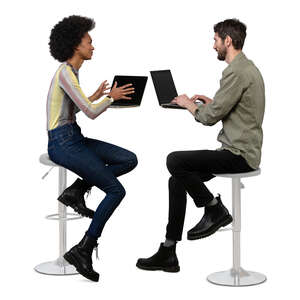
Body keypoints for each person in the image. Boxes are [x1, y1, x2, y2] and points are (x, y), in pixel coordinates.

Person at [136, 18, 265, 272]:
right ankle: (168, 251)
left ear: (228, 41)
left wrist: (188, 104)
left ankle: (214, 209)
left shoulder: (236, 72)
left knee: (174, 160)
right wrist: (211, 101)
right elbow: (230, 108)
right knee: (177, 180)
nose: (213, 45)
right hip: (241, 150)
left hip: (238, 155)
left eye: (216, 40)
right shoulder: (247, 68)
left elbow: (208, 119)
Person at [47, 15, 138, 282]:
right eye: (89, 41)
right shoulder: (65, 72)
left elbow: (75, 105)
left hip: (74, 137)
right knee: (115, 190)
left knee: (129, 159)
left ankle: (77, 190)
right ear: (76, 45)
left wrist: (98, 95)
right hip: (61, 143)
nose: (93, 46)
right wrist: (111, 97)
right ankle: (83, 248)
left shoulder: (71, 73)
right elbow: (89, 112)